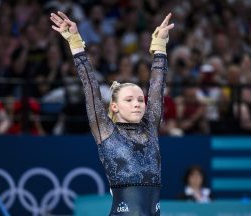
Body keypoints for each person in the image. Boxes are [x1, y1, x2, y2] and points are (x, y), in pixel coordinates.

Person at [50, 11, 174, 215]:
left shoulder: (150, 126)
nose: (137, 104)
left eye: (140, 100)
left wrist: (160, 46)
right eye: (129, 100)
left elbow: (157, 86)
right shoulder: (106, 130)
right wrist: (75, 43)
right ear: (114, 107)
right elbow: (90, 88)